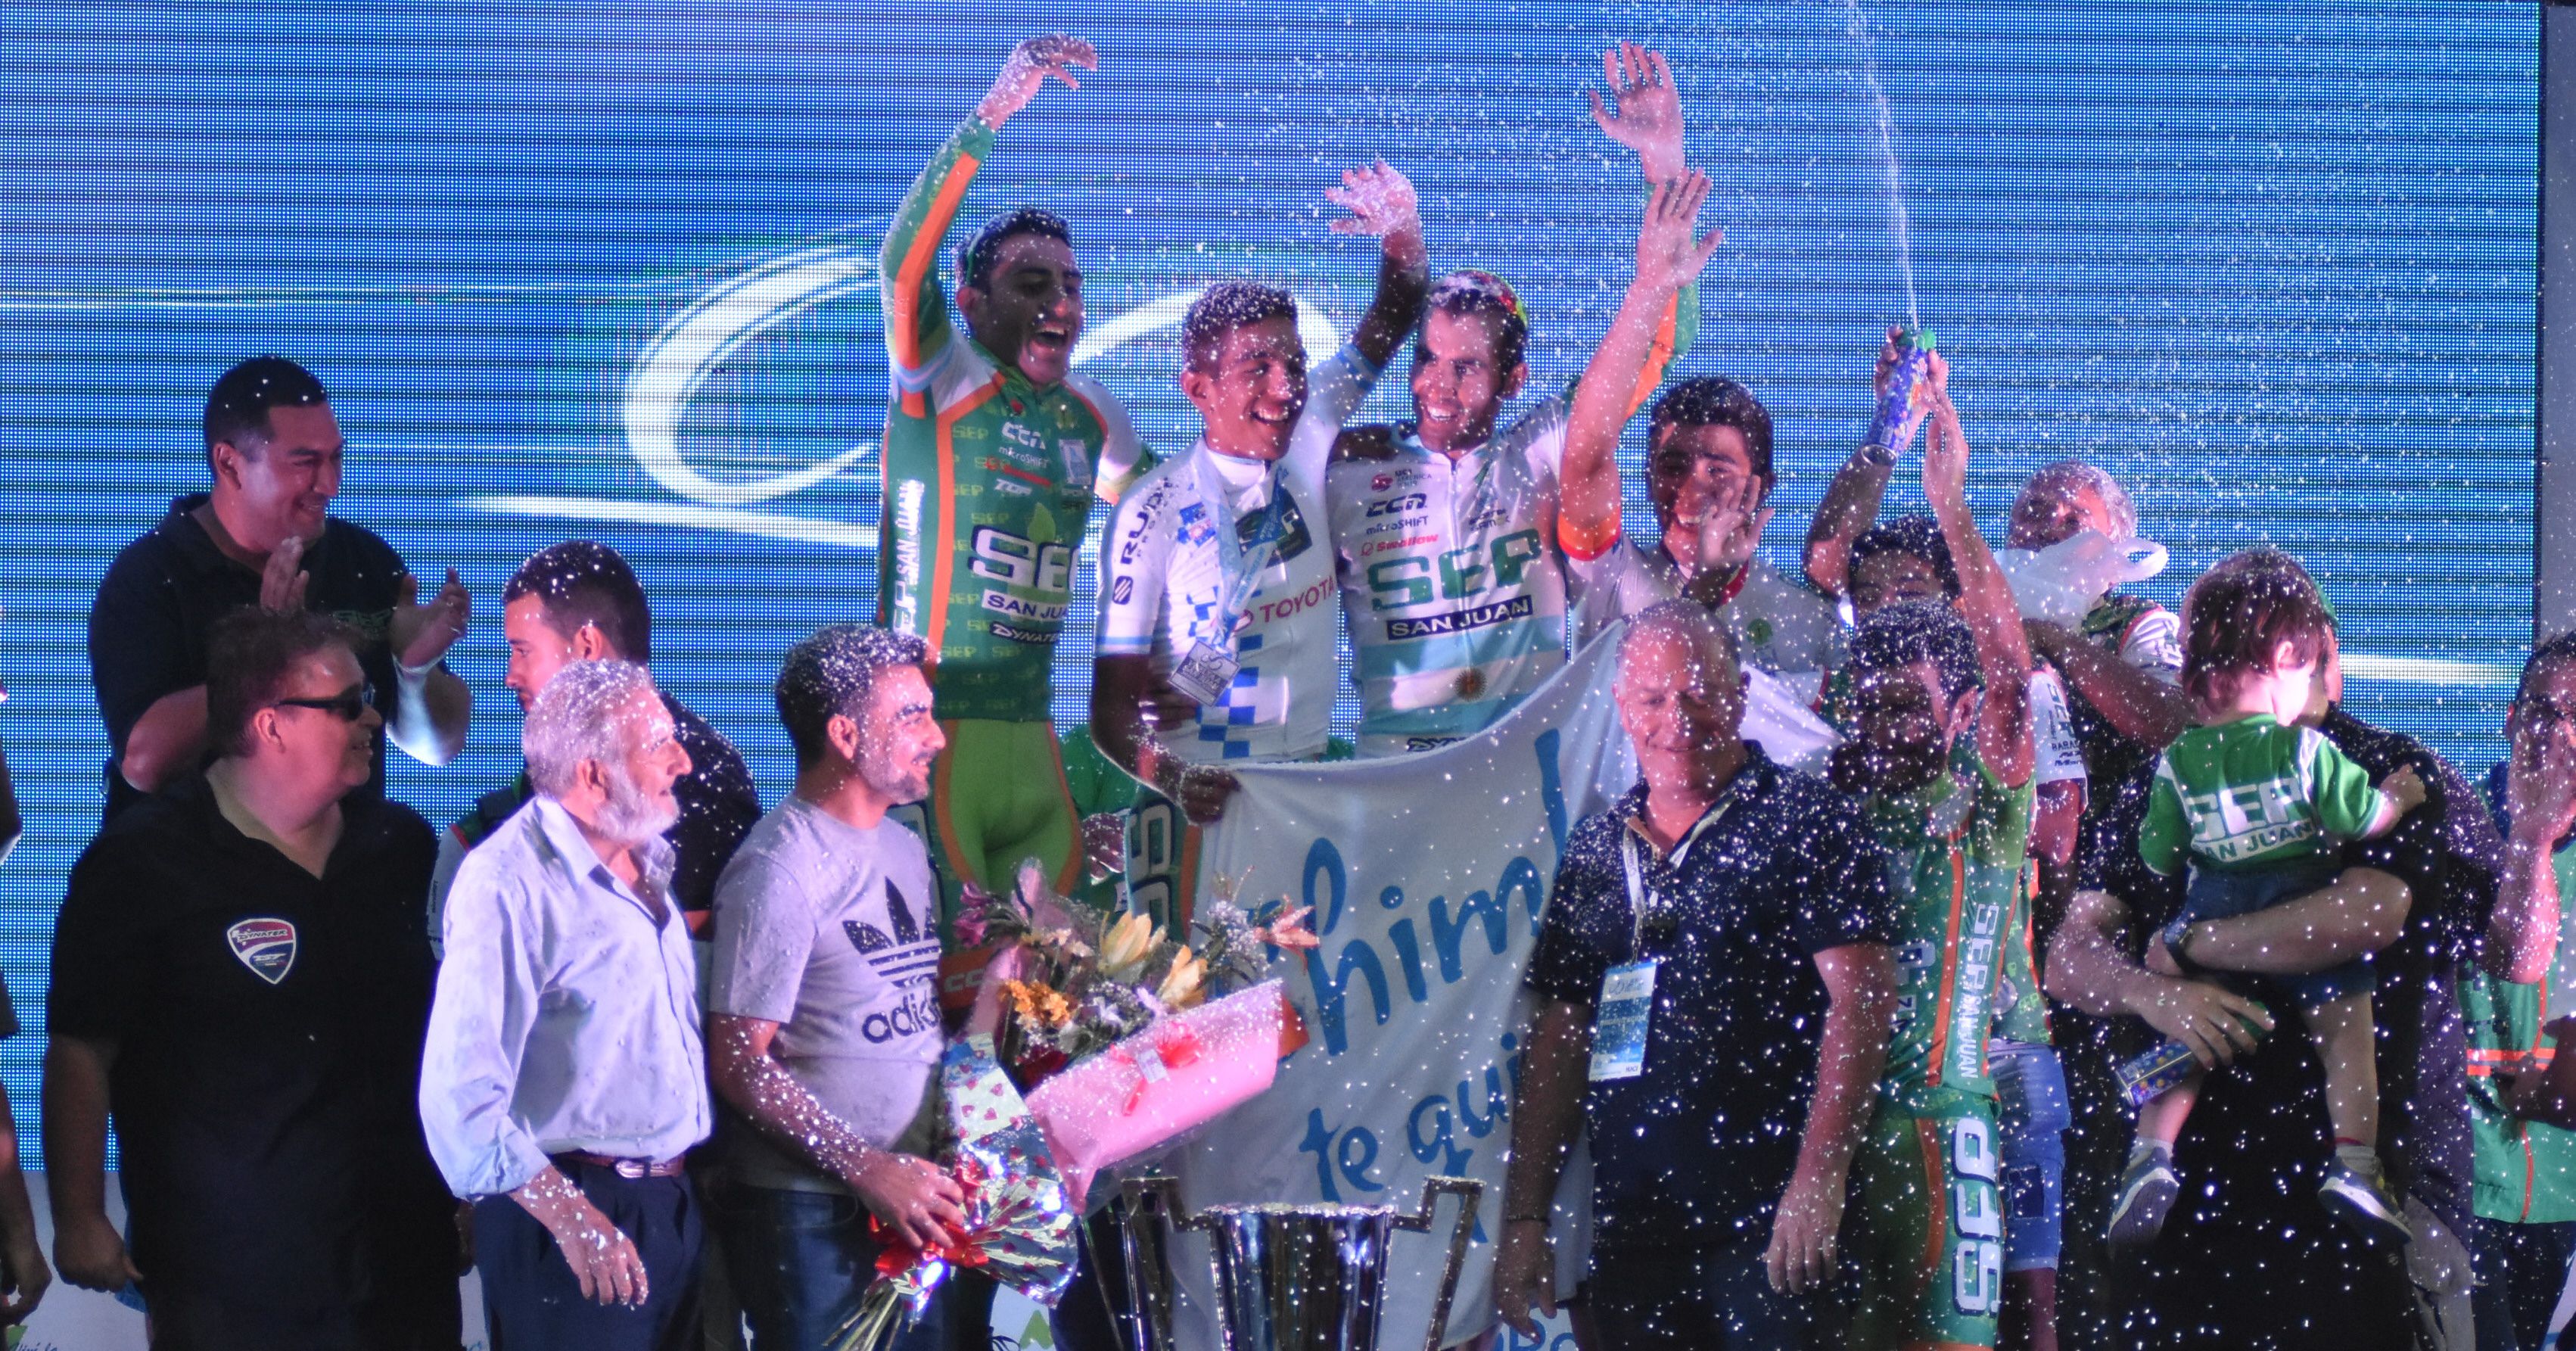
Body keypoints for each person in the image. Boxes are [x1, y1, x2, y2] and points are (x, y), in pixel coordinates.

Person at [2046, 549, 2492, 1350]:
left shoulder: (2389, 766)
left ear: (2317, 651)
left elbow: (2366, 914)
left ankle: (2346, 1163)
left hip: (2373, 1213)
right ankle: (2154, 1153)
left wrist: (2192, 944)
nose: (2218, 675)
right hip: (2194, 1211)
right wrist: (2151, 993)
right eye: (2206, 652)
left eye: (2239, 651)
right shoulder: (2167, 774)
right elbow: (2068, 957)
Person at [1493, 600, 1900, 1348]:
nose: (1676, 719)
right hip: (1633, 1232)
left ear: (1739, 694)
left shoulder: (1809, 820)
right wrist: (1525, 1217)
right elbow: (1562, 1033)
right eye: (1652, 698)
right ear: (1621, 707)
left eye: (1698, 693)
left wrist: (1818, 1179)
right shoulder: (1595, 848)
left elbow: (1864, 1001)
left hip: (1772, 1226)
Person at [46, 608, 457, 1346]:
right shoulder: (142, 863)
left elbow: (452, 1034)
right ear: (271, 725)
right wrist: (79, 1215)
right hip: (227, 1276)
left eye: (368, 697)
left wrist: (473, 1188)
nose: (371, 717)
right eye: (347, 704)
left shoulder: (400, 848)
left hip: (401, 1259)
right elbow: (82, 1048)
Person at [1324, 42, 1716, 755]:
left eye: (1467, 368)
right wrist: (1403, 240)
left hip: (1526, 773)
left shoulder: (1541, 451)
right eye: (1428, 359)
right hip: (1390, 781)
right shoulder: (1348, 468)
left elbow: (1660, 341)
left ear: (1514, 380)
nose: (1437, 387)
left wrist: (1662, 163)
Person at [879, 33, 1150, 923]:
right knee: (957, 989)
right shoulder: (941, 376)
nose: (1060, 304)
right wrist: (993, 112)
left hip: (1034, 749)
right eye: (1031, 284)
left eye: (1070, 284)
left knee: (1062, 986)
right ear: (971, 304)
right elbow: (900, 265)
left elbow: (1180, 518)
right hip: (929, 738)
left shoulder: (1091, 414)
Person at [1090, 157, 1430, 821]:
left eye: (1295, 364)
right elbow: (1111, 712)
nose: (1287, 388)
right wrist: (1175, 777)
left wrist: (1403, 231)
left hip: (1306, 785)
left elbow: (1396, 310)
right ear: (1199, 389)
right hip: (1204, 801)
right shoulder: (1152, 509)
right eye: (1258, 368)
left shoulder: (1312, 426)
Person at [2109, 562, 2426, 1251]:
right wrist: (2397, 798)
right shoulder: (2306, 749)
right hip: (2299, 901)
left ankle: (2150, 1152)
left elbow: (2159, 854)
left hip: (2210, 902)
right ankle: (2355, 1163)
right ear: (2288, 658)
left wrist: (2192, 919)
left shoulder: (2178, 760)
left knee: (2189, 1039)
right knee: (2347, 1037)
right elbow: (2362, 816)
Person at [1825, 363, 2033, 1351]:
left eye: (1907, 705)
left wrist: (1950, 506)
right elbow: (1824, 569)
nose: (1883, 726)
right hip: (1833, 1132)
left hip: (1944, 1128)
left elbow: (2008, 671)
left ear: (1961, 713)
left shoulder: (1984, 803)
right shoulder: (1834, 806)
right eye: (1870, 706)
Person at [420, 659, 712, 1351]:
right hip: (571, 1215)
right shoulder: (508, 883)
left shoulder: (649, 859)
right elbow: (458, 1100)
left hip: (667, 1206)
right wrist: (573, 1219)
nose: (685, 760)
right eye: (660, 743)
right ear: (593, 774)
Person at [705, 624, 978, 1349]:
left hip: (913, 1203)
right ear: (846, 735)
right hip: (812, 1216)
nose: (938, 737)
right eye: (912, 717)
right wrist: (867, 1167)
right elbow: (738, 1062)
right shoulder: (778, 869)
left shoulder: (905, 847)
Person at [89, 355, 471, 822]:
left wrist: (414, 673)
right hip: (189, 860)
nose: (330, 485)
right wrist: (265, 657)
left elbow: (438, 749)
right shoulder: (152, 577)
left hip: (342, 856)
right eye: (305, 463)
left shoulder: (362, 562)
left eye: (336, 458)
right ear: (230, 465)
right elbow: (145, 764)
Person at [428, 540, 758, 941]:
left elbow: (683, 955)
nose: (510, 676)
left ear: (586, 646)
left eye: (523, 651)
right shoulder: (567, 763)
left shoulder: (692, 778)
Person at [1566, 373, 1844, 686]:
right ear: (1648, 478)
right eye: (1673, 468)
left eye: (1717, 471)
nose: (1692, 491)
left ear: (1763, 487)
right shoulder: (1605, 580)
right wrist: (1707, 585)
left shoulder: (1805, 615)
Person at [2459, 633, 2576, 1351]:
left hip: (2562, 1183)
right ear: (2509, 720)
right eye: (2542, 710)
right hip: (2461, 1172)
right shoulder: (2454, 825)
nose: (2557, 732)